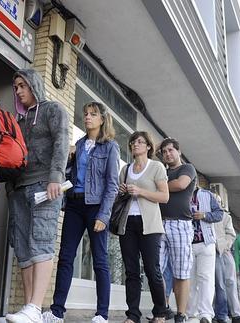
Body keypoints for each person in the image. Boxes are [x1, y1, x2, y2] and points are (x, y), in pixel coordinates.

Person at [42, 102, 119, 323]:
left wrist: (104, 216)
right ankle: (57, 311)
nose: (87, 118)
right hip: (75, 205)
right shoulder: (79, 144)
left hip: (96, 206)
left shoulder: (110, 147)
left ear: (102, 120)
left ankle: (102, 314)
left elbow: (112, 184)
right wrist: (69, 156)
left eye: (93, 114)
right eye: (86, 114)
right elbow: (69, 175)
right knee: (66, 257)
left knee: (100, 260)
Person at [5, 68, 69, 323]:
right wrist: (10, 188)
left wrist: (56, 177)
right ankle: (29, 310)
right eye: (16, 87)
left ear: (34, 85)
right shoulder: (18, 121)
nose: (19, 91)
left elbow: (62, 141)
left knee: (40, 243)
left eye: (23, 85)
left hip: (45, 184)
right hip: (19, 189)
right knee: (23, 248)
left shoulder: (53, 110)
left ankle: (34, 306)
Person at [112, 131, 169, 323]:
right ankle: (133, 315)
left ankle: (160, 312)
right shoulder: (125, 170)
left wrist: (141, 191)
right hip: (127, 223)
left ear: (148, 147)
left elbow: (164, 196)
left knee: (152, 270)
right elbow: (120, 198)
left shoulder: (156, 167)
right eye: (133, 142)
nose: (135, 145)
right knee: (131, 271)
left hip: (150, 225)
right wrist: (122, 192)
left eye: (140, 142)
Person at [157, 137, 197, 323]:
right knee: (156, 269)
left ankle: (181, 314)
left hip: (180, 224)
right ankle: (163, 310)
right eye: (164, 152)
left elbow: (181, 184)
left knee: (181, 272)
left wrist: (160, 186)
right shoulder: (162, 171)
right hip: (159, 224)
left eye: (171, 150)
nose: (167, 154)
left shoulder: (187, 168)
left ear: (179, 152)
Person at [185, 187, 223, 323]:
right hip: (187, 243)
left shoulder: (207, 195)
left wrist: (205, 215)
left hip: (206, 243)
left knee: (206, 278)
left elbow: (219, 214)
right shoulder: (180, 194)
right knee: (190, 280)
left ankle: (206, 314)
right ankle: (191, 314)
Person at [213, 200, 240, 323]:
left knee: (231, 282)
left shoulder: (225, 216)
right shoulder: (204, 215)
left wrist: (225, 245)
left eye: (218, 201)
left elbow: (231, 234)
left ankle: (236, 314)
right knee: (218, 284)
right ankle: (220, 314)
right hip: (211, 252)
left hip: (225, 252)